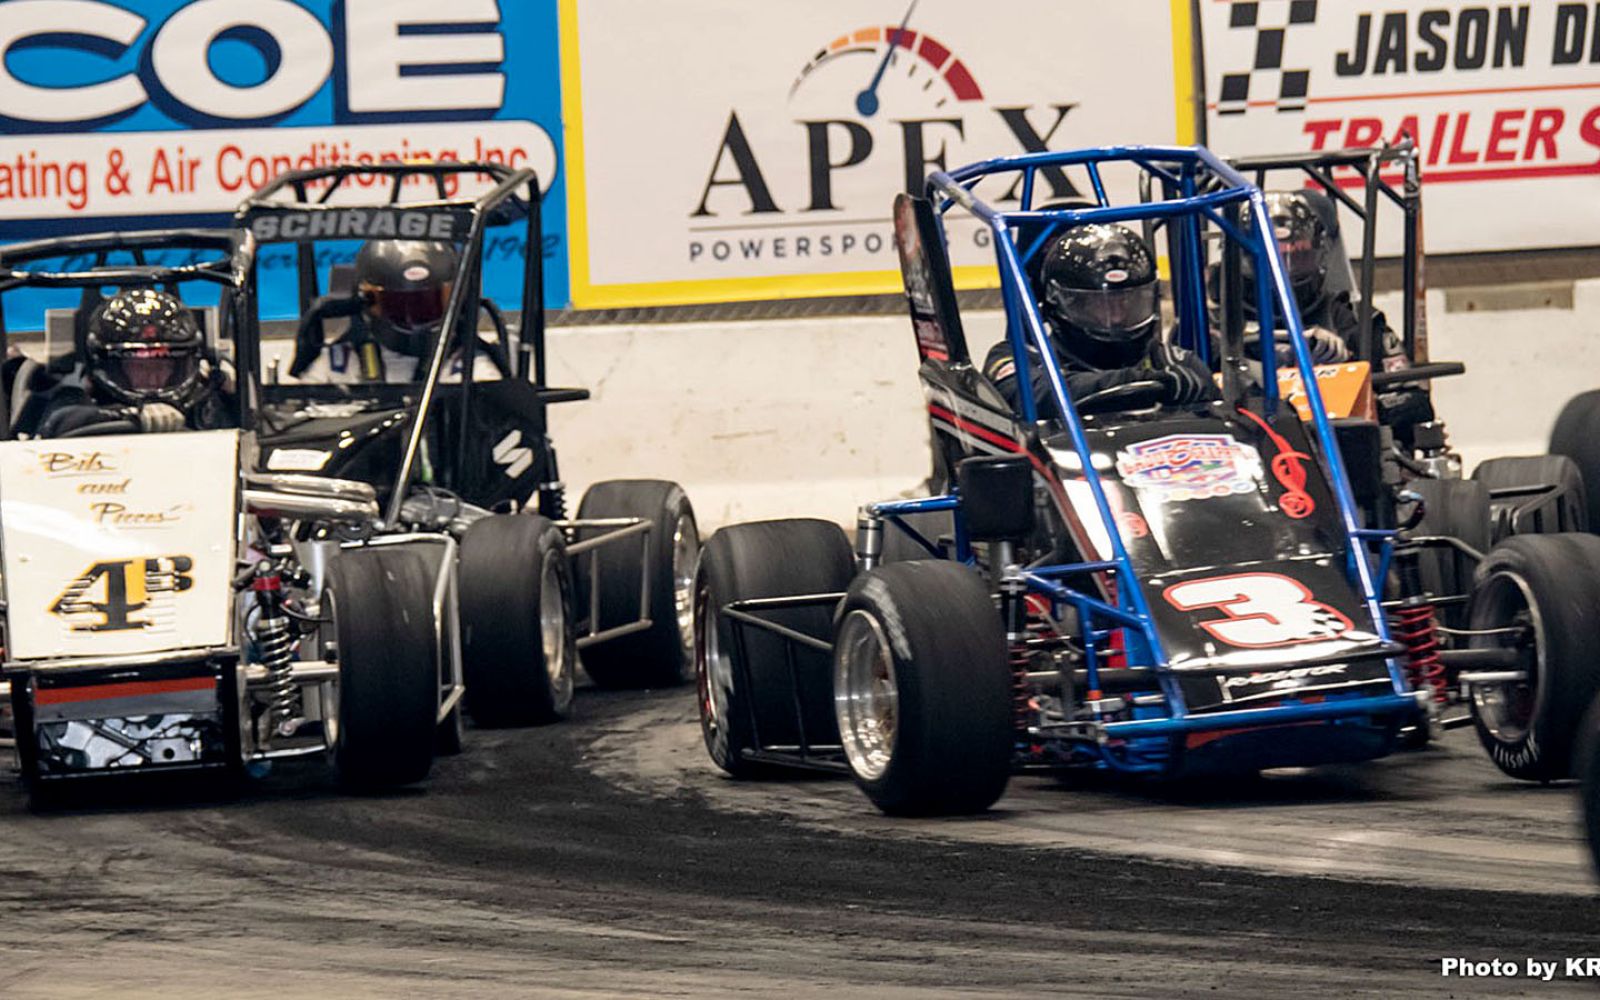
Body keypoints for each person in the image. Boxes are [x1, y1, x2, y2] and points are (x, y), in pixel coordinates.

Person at [983, 223, 1217, 415]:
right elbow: (1031, 397)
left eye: (1128, 302)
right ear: (1062, 303)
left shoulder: (1175, 363)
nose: (1116, 316)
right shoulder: (1018, 359)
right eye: (1100, 305)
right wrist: (1136, 382)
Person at [1248, 191, 1432, 430]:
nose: (1286, 270)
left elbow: (1415, 402)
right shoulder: (1217, 331)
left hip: (1343, 452)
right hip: (1249, 450)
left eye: (1298, 255)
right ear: (1247, 260)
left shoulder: (1356, 320)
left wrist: (1351, 377)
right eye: (1274, 259)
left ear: (1320, 254)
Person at [286, 239, 506, 384]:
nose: (415, 316)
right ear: (367, 301)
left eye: (427, 302)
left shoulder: (471, 370)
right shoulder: (337, 366)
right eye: (400, 303)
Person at [33, 287, 232, 438]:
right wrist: (132, 417)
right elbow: (57, 423)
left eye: (163, 366)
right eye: (140, 366)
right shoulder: (73, 403)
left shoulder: (205, 405)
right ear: (107, 366)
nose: (152, 377)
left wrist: (232, 393)